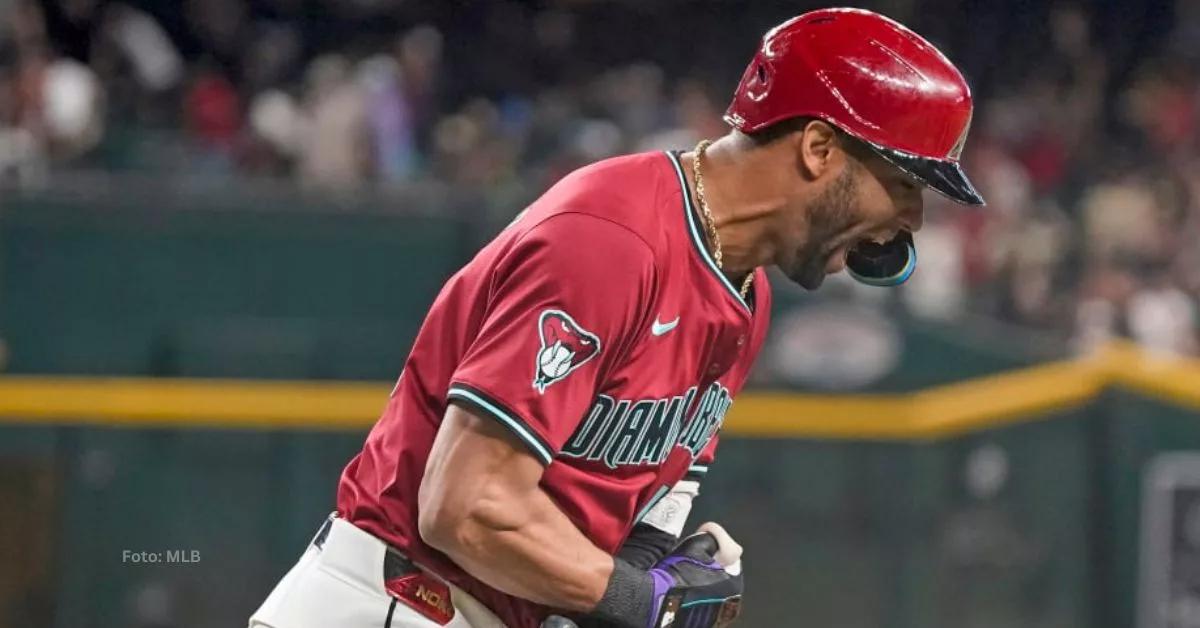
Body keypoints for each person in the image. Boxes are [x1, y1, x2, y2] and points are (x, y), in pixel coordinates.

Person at [248, 7, 985, 628]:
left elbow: (658, 494)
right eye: (901, 183)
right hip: (396, 604)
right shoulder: (611, 239)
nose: (910, 220)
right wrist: (641, 600)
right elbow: (466, 509)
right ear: (820, 148)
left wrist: (665, 569)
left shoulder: (746, 293)